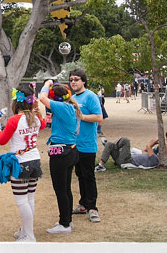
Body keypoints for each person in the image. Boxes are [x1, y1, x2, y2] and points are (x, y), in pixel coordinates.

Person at [0, 83, 46, 242]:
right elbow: (42, 125)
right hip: (34, 160)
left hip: (21, 162)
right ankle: (25, 231)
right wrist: (37, 110)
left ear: (16, 101)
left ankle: (29, 236)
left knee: (22, 200)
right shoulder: (35, 117)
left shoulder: (15, 120)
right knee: (29, 198)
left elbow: (2, 140)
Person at [38, 80, 81, 234]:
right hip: (70, 151)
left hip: (61, 153)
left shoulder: (62, 107)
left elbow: (42, 98)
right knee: (66, 189)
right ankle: (67, 220)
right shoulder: (70, 107)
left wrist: (47, 84)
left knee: (60, 190)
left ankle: (64, 224)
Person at [69, 69, 103, 223]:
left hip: (88, 145)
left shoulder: (91, 96)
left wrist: (82, 116)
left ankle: (92, 208)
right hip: (75, 146)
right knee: (80, 175)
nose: (73, 82)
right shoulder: (72, 98)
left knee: (88, 176)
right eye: (71, 79)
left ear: (83, 81)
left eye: (76, 79)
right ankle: (83, 204)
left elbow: (99, 117)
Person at [94, 136, 160, 170]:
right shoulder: (149, 156)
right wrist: (154, 143)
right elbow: (145, 150)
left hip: (127, 160)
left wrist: (156, 139)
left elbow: (148, 146)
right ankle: (101, 165)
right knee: (109, 144)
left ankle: (113, 147)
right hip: (122, 159)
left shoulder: (155, 159)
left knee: (125, 140)